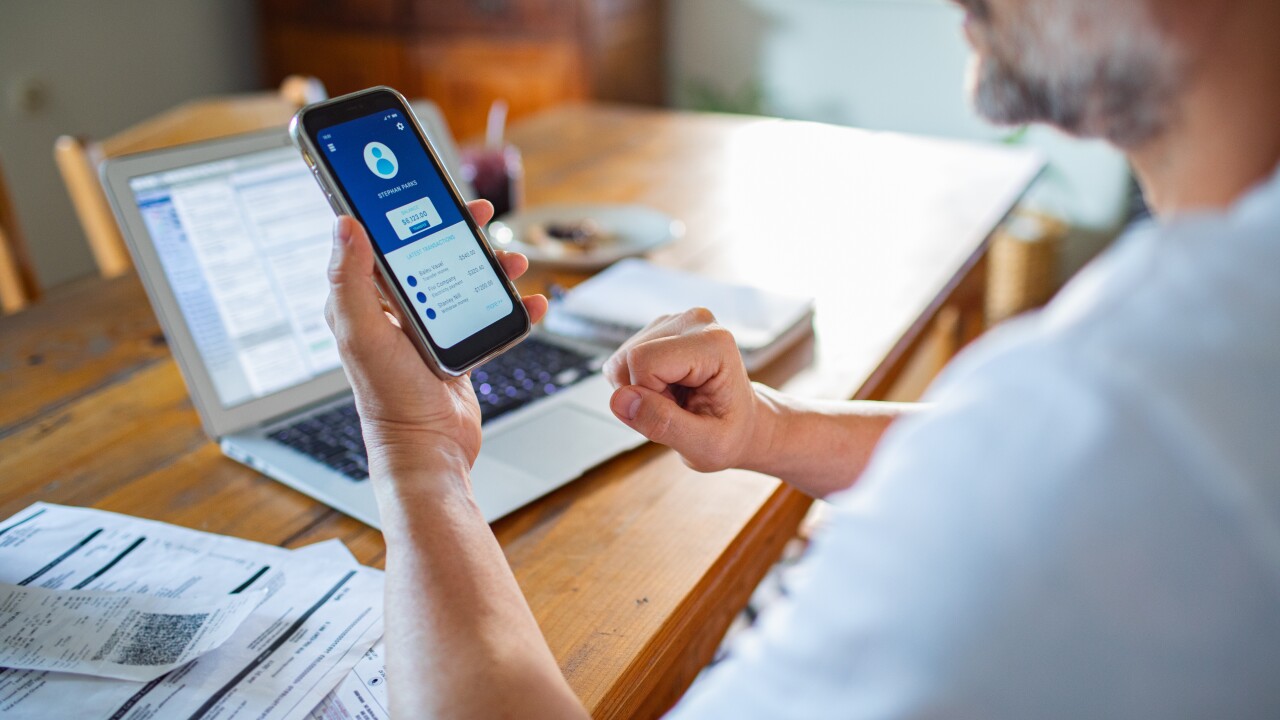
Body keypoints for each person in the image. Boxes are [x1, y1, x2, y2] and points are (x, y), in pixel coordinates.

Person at [322, 0, 1280, 715]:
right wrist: (771, 429)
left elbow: (1059, 464)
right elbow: (1015, 462)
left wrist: (416, 453)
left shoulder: (1121, 412)